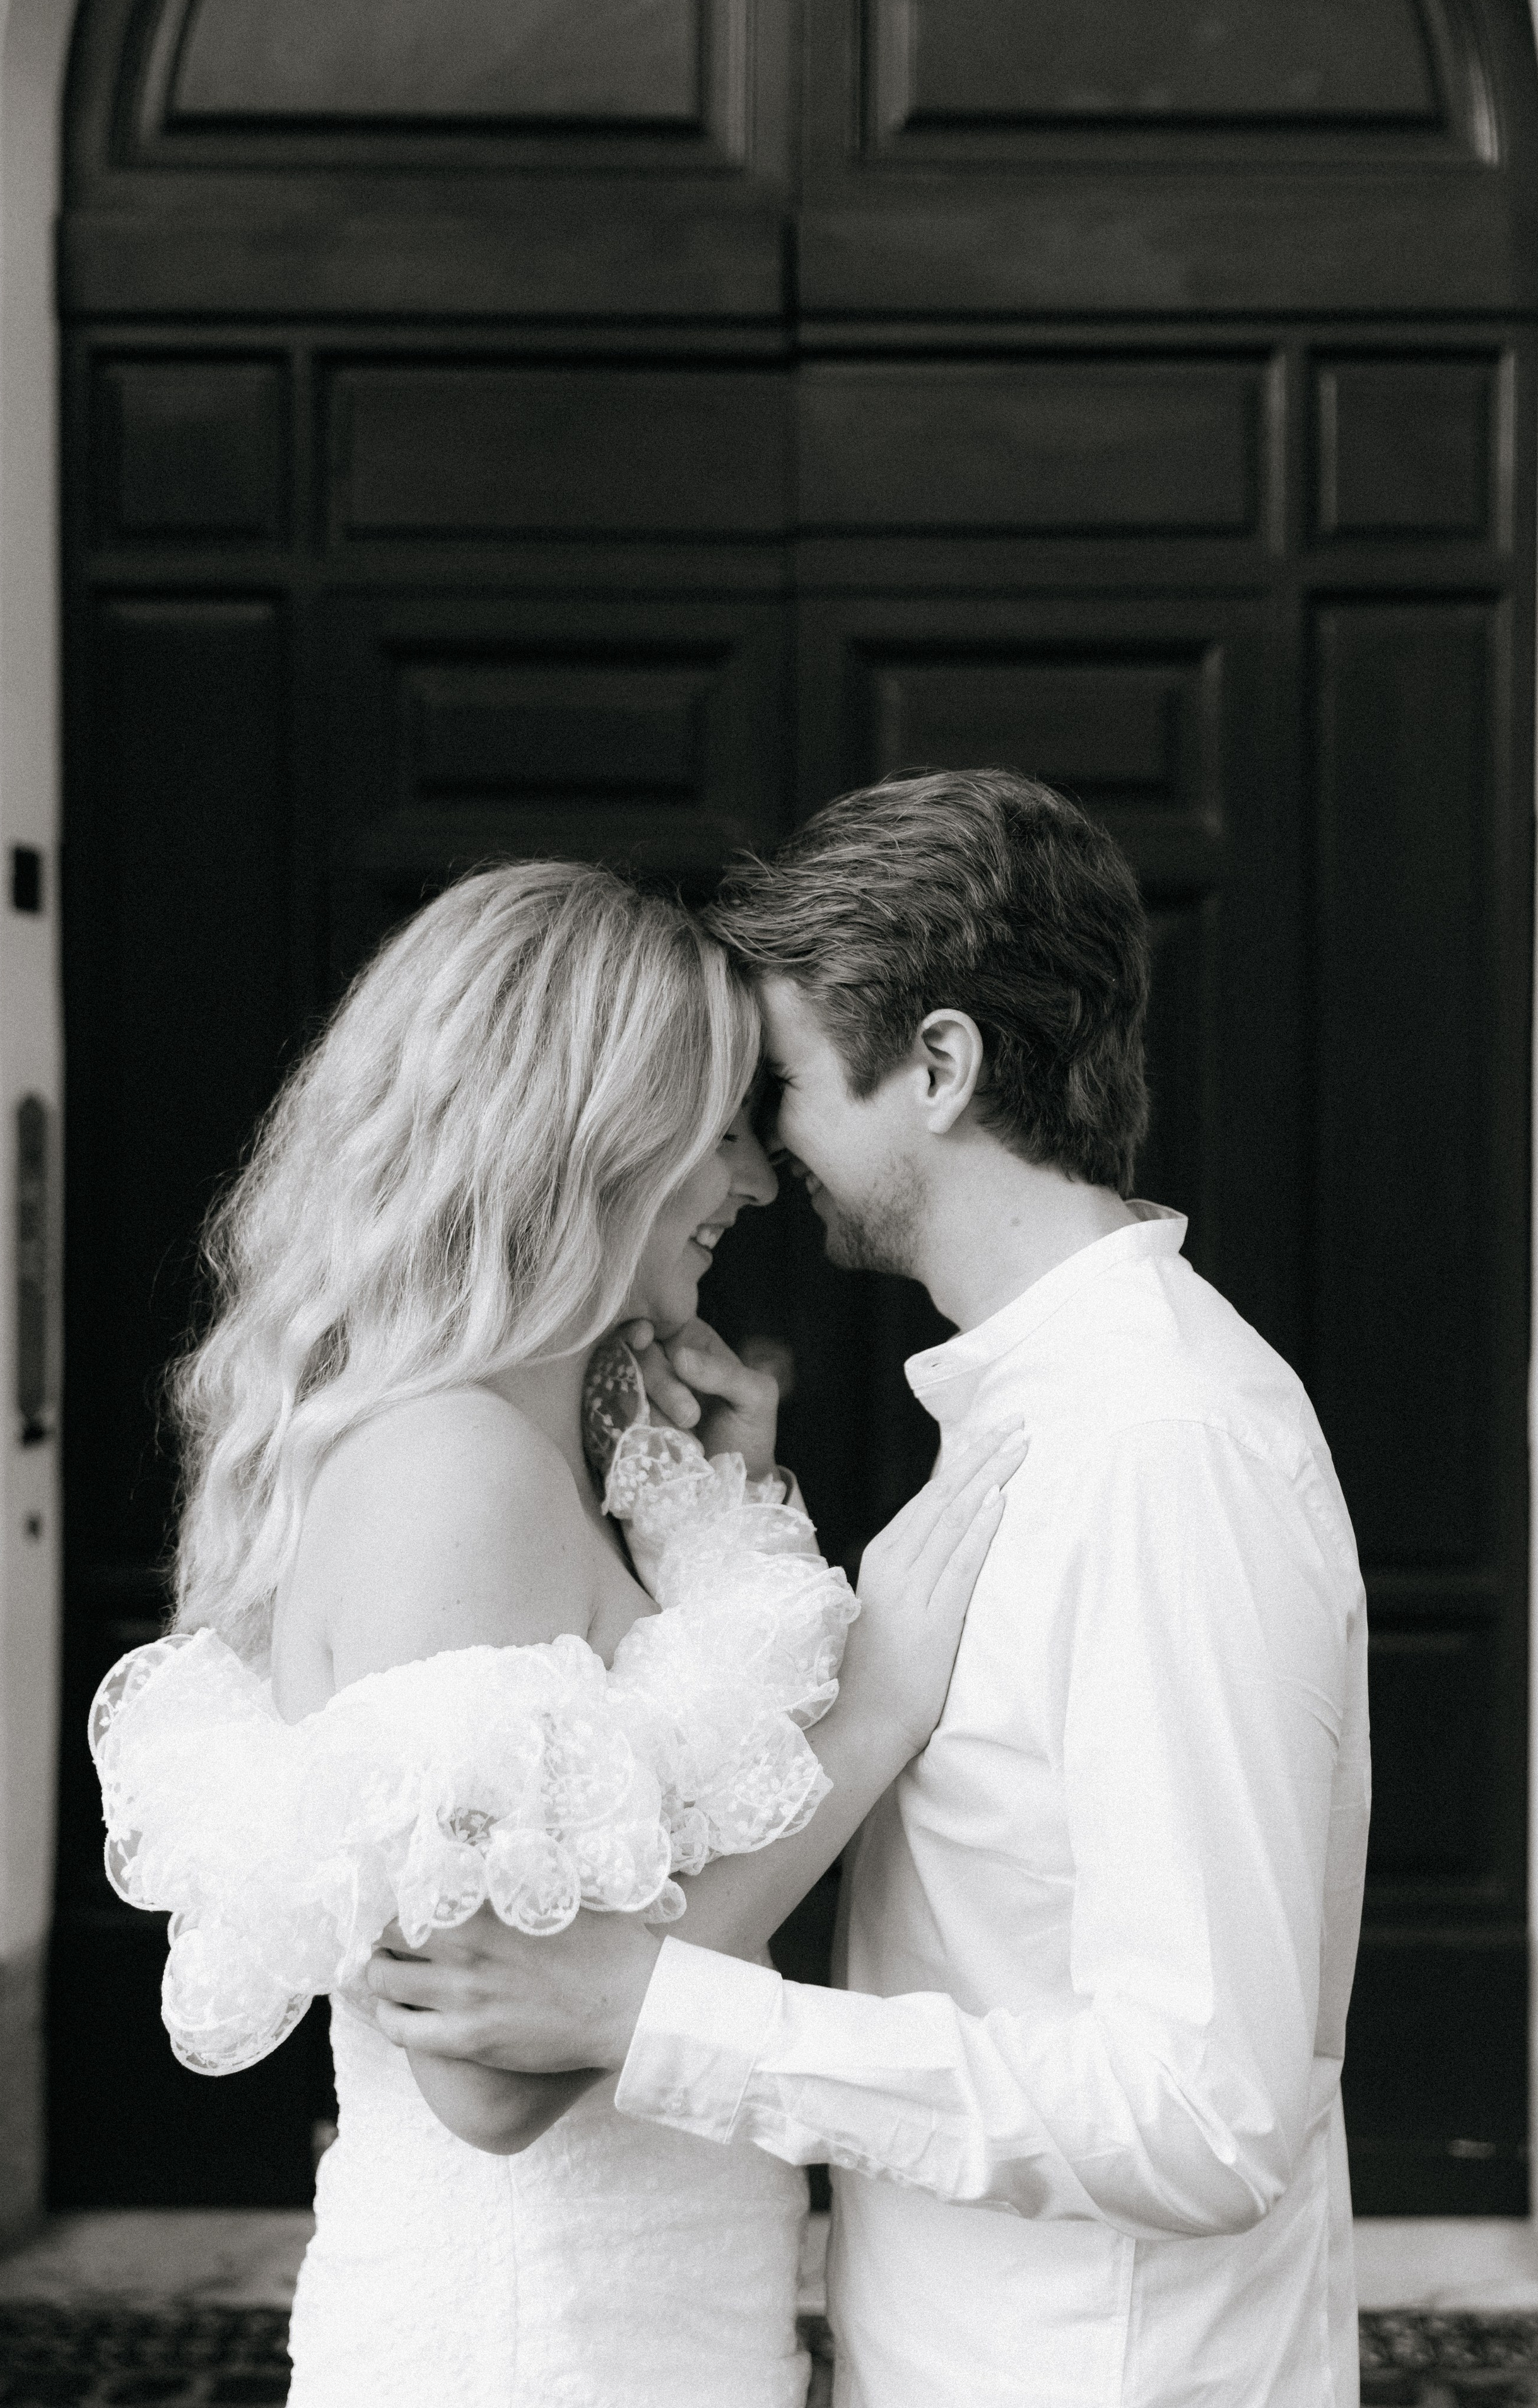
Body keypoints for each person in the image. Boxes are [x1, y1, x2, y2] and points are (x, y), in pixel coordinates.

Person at [367, 770, 1373, 2408]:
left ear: (939, 1067)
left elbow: (1203, 2115)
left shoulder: (1157, 1454)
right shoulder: (1030, 1429)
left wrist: (654, 2010)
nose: (764, 1160)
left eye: (779, 1086)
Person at [89, 859, 1021, 2408]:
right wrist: (865, 1724)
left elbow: (603, 1905)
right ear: (594, 1134)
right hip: (536, 2342)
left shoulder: (525, 1457)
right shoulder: (447, 1471)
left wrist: (710, 1522)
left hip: (634, 2308)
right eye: (723, 1121)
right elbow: (485, 2071)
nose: (760, 1176)